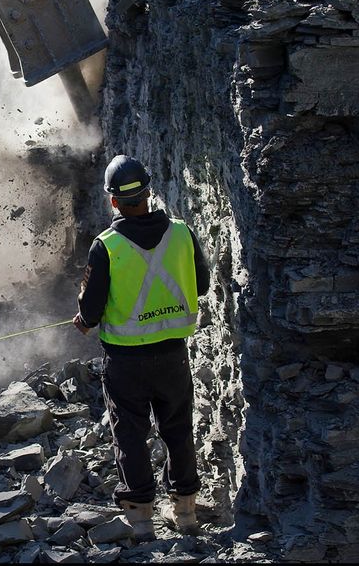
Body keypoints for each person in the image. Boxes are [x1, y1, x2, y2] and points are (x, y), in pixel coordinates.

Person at [73, 154, 210, 540]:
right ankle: (185, 512)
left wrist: (84, 320)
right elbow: (201, 285)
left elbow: (91, 309)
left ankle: (141, 519)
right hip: (172, 355)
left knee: (130, 434)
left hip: (126, 359)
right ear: (149, 193)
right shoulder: (182, 233)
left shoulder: (106, 245)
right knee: (178, 429)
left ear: (113, 200)